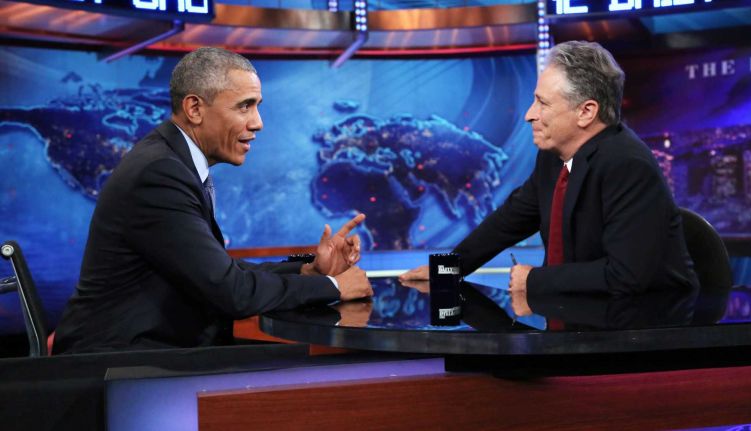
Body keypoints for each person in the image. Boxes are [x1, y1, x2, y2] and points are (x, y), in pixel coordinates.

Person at [53, 47, 372, 354]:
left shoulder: (172, 161)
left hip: (150, 354)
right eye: (244, 106)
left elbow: (219, 269)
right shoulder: (159, 174)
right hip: (121, 364)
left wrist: (307, 270)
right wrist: (333, 287)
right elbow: (231, 291)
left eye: (257, 106)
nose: (258, 122)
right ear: (195, 109)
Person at [400, 41, 699, 310]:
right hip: (580, 318)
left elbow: (626, 276)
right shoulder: (554, 157)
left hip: (647, 325)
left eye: (543, 103)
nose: (529, 114)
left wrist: (533, 280)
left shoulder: (628, 165)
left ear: (586, 112)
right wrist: (449, 267)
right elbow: (511, 220)